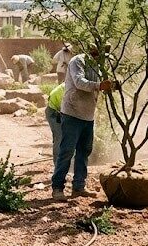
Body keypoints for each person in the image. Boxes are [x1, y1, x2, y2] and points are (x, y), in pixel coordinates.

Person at [51, 44, 117, 201]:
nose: (103, 58)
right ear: (94, 51)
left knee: (84, 151)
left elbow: (102, 84)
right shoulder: (78, 61)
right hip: (72, 113)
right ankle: (58, 187)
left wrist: (112, 85)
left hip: (88, 115)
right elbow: (79, 82)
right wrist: (99, 85)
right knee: (67, 151)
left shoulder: (99, 66)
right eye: (101, 54)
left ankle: (78, 187)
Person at [45, 83, 65, 163]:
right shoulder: (66, 90)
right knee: (59, 136)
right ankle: (57, 164)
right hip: (53, 113)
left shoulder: (69, 85)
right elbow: (64, 109)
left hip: (57, 111)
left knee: (60, 136)